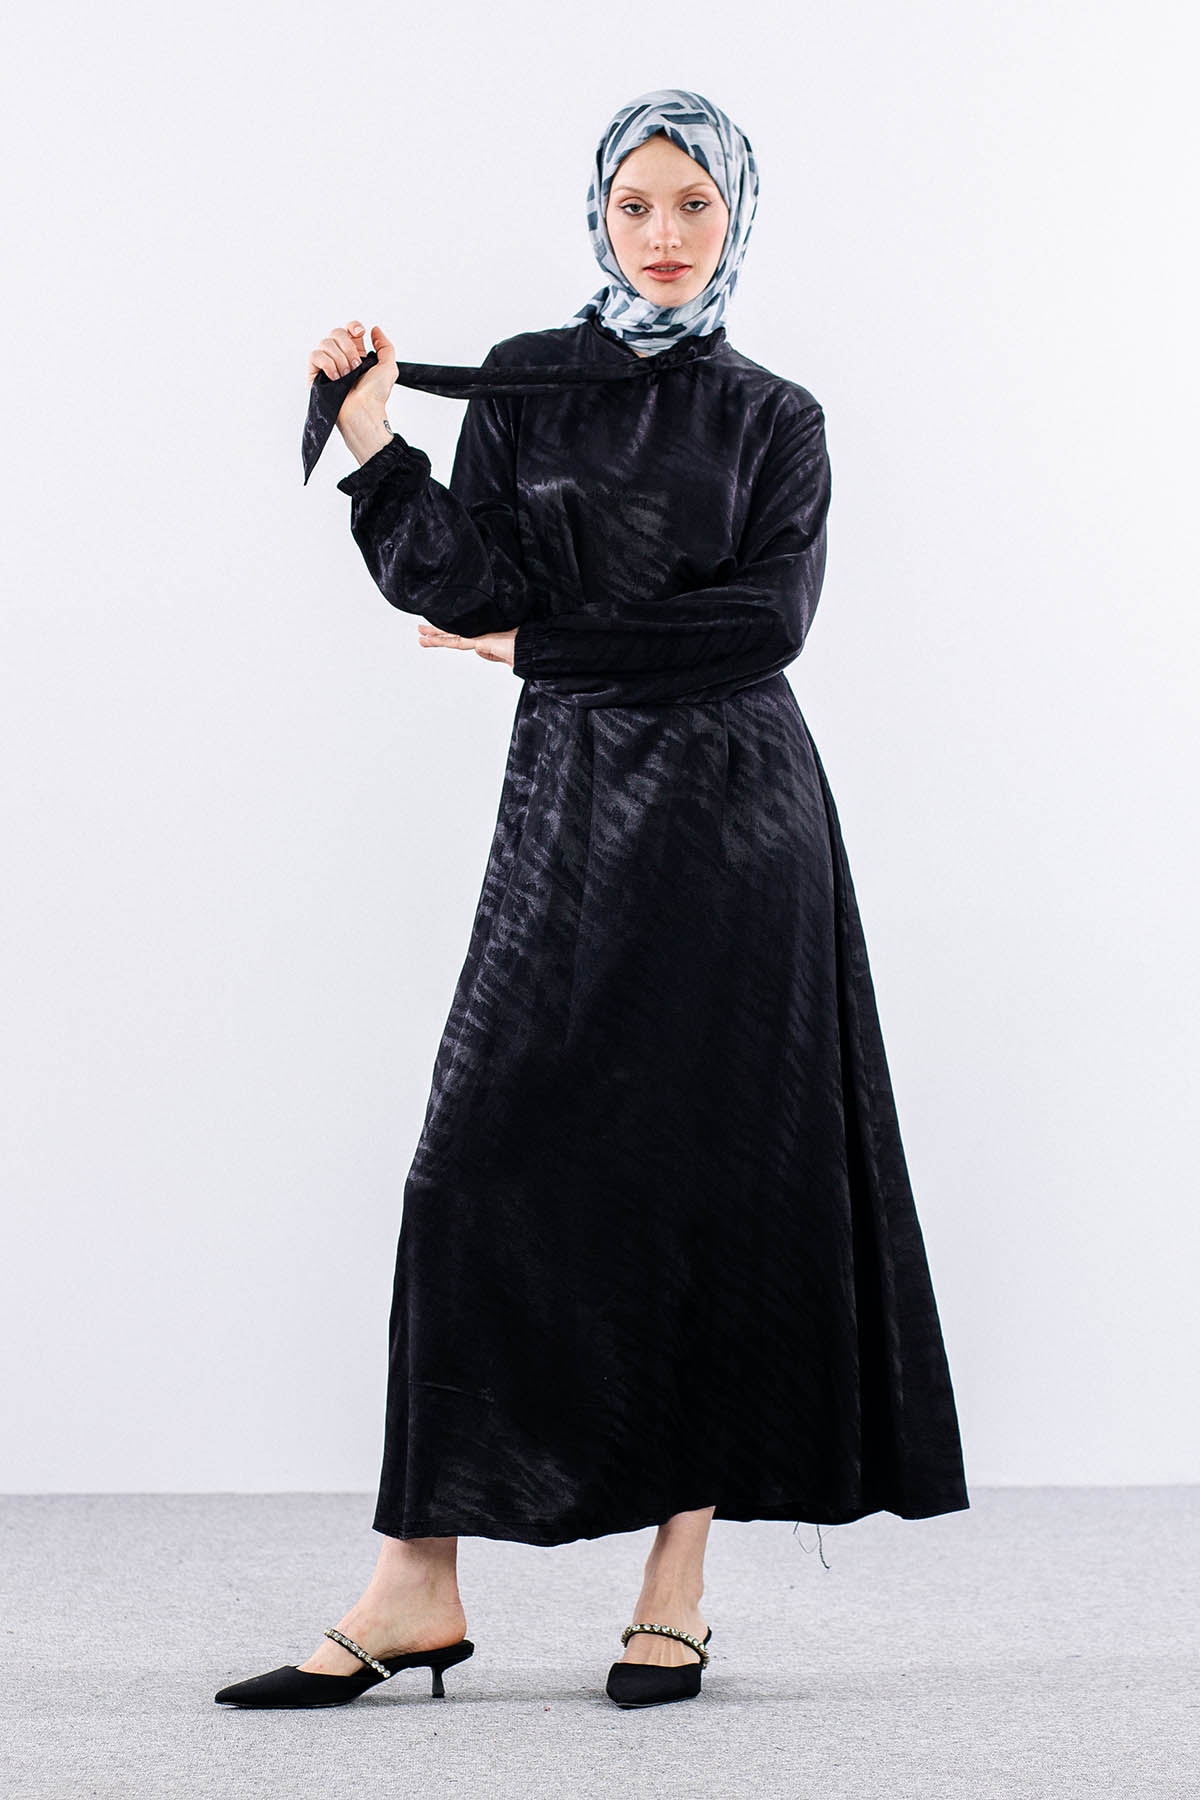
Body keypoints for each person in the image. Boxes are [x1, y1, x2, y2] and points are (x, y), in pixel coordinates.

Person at [215, 87, 968, 1716]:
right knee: (468, 1167)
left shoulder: (775, 418)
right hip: (568, 809)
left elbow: (762, 627)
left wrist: (543, 650)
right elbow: (470, 583)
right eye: (637, 204)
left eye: (695, 203)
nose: (665, 234)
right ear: (598, 216)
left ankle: (674, 1584)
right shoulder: (531, 382)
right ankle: (416, 1583)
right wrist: (375, 447)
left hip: (739, 823)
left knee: (709, 1185)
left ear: (737, 216)